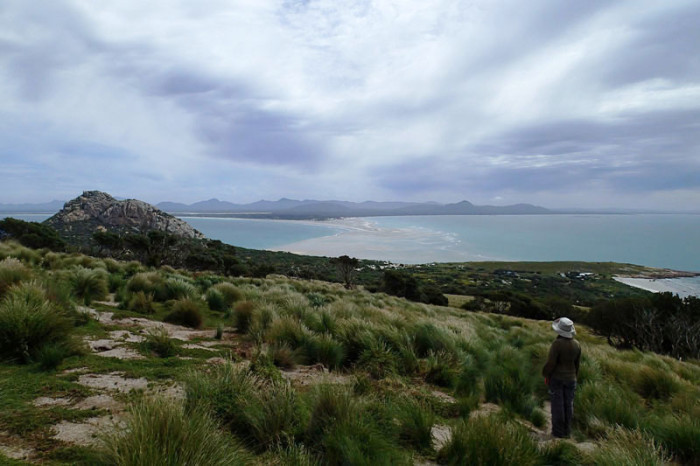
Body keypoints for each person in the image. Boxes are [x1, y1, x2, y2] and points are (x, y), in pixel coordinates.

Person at [542, 317, 581, 438]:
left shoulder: (557, 344)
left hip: (557, 378)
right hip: (571, 379)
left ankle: (558, 433)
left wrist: (546, 374)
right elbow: (577, 365)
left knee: (557, 405)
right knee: (568, 405)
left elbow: (551, 363)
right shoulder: (577, 345)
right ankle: (567, 431)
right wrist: (575, 377)